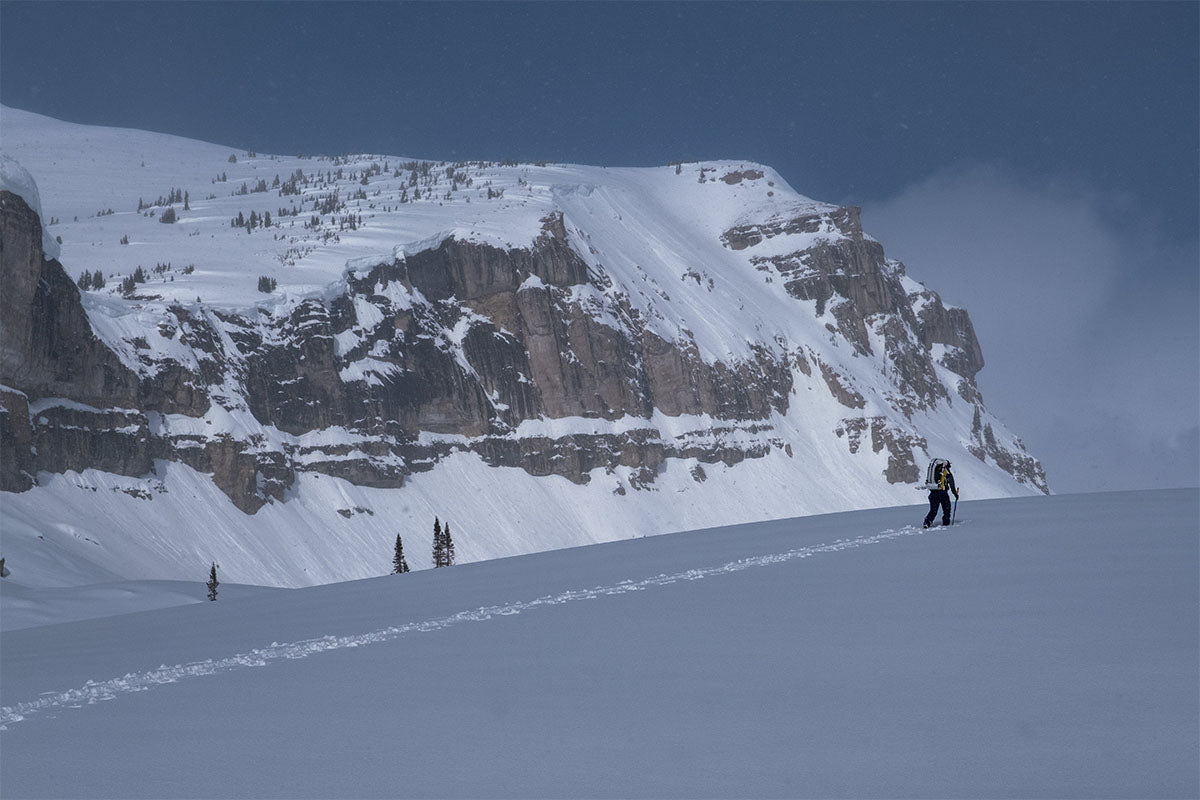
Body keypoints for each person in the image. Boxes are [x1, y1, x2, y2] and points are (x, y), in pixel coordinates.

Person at [923, 460, 958, 528]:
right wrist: (955, 494)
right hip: (942, 493)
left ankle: (927, 522)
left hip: (933, 492)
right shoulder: (946, 472)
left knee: (933, 510)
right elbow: (952, 484)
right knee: (946, 509)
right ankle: (946, 523)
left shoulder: (933, 471)